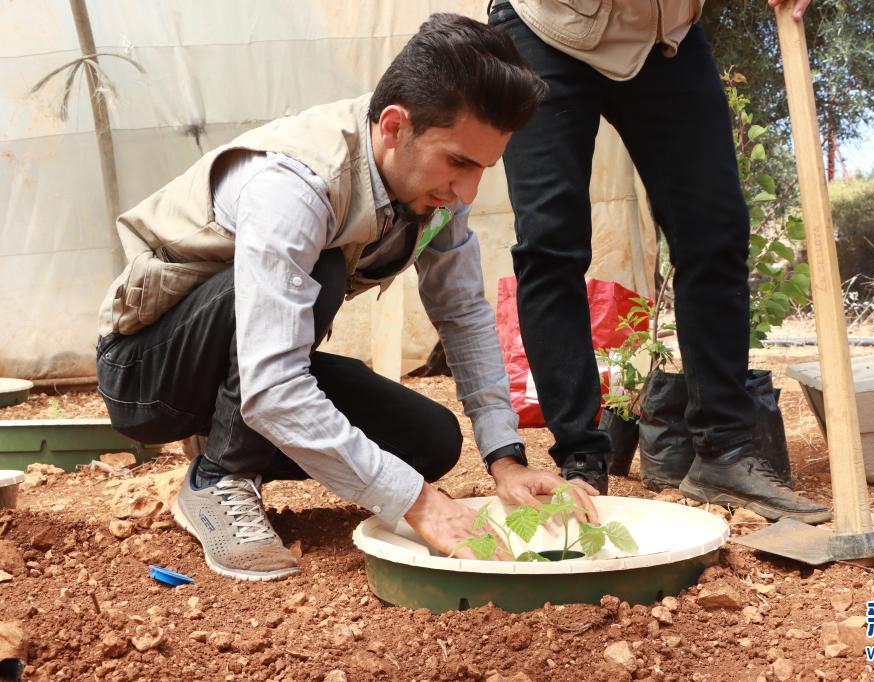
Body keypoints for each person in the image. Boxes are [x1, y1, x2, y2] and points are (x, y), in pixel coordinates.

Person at [95, 13, 599, 582]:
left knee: (428, 443)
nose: (468, 190)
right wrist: (419, 503)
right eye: (459, 162)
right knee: (325, 270)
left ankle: (221, 431)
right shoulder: (297, 184)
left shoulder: (437, 192)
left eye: (483, 168)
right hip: (148, 375)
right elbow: (273, 387)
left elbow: (461, 312)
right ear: (394, 126)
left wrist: (505, 458)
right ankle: (220, 477)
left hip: (245, 362)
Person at [489, 0, 831, 523]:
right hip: (548, 26)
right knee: (550, 246)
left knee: (713, 232)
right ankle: (581, 462)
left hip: (664, 34)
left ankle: (725, 451)